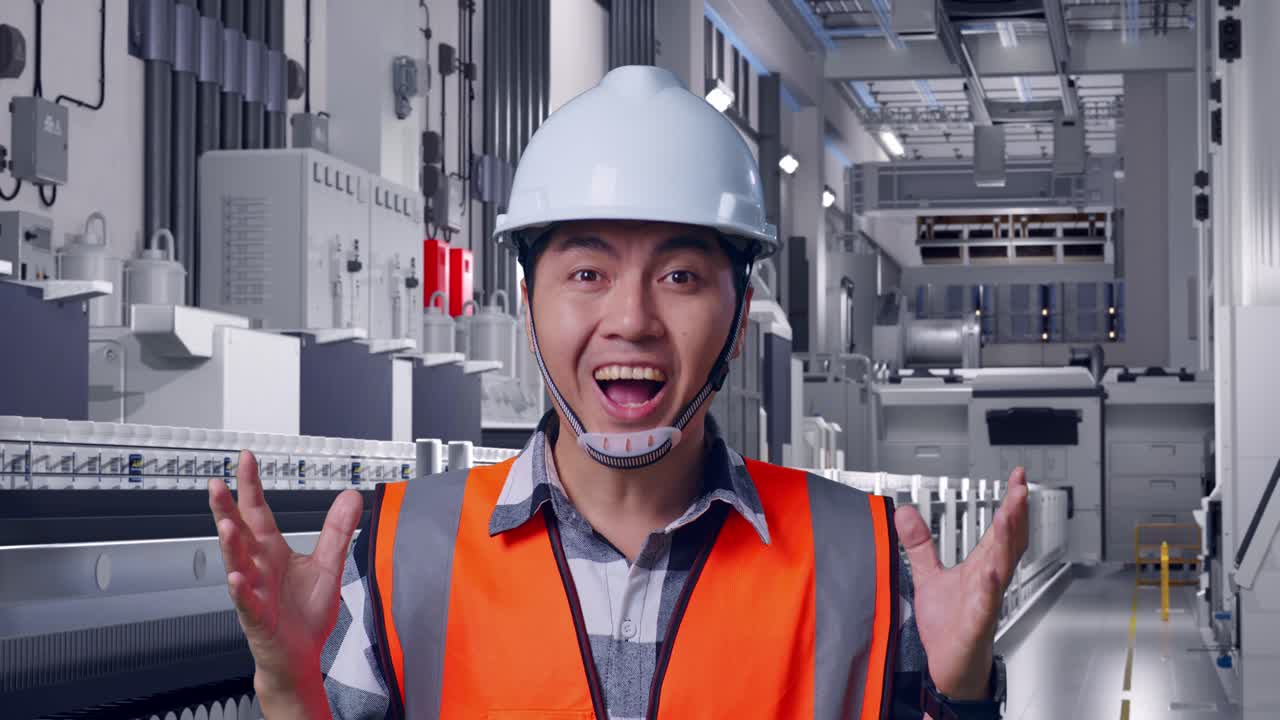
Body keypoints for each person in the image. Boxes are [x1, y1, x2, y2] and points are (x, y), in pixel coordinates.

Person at [208, 65, 1027, 719]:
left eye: (679, 276)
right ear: (528, 305)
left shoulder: (864, 560)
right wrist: (289, 691)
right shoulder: (396, 555)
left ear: (740, 316)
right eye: (588, 273)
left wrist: (963, 696)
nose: (631, 319)